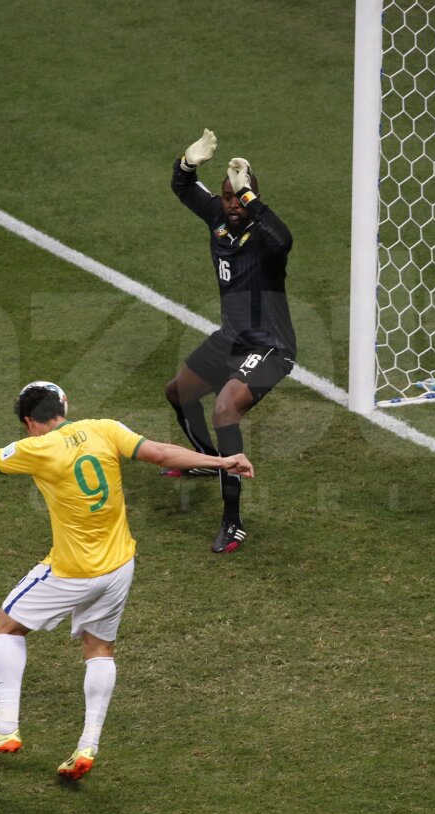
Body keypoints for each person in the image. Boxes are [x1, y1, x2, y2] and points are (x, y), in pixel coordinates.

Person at [0, 381, 254, 781]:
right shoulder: (105, 428)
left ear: (29, 422)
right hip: (120, 564)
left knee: (6, 625)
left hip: (73, 570)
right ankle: (87, 746)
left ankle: (4, 728)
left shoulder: (36, 448)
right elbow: (160, 451)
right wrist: (223, 461)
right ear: (63, 409)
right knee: (99, 647)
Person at [165, 128, 297, 554]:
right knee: (178, 391)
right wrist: (188, 162)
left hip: (271, 347)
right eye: (227, 196)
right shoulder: (219, 219)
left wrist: (251, 200)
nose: (231, 204)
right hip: (232, 338)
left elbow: (284, 238)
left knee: (225, 408)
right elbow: (183, 187)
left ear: (253, 198)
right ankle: (207, 462)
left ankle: (233, 521)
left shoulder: (264, 236)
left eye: (239, 196)